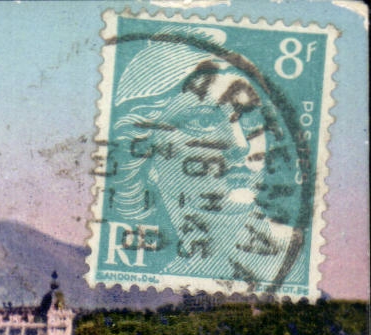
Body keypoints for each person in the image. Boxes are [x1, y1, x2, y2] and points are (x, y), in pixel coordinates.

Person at [104, 26, 299, 285]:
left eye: (249, 118)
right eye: (205, 121)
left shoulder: (299, 259)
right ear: (143, 152)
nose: (240, 145)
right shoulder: (166, 278)